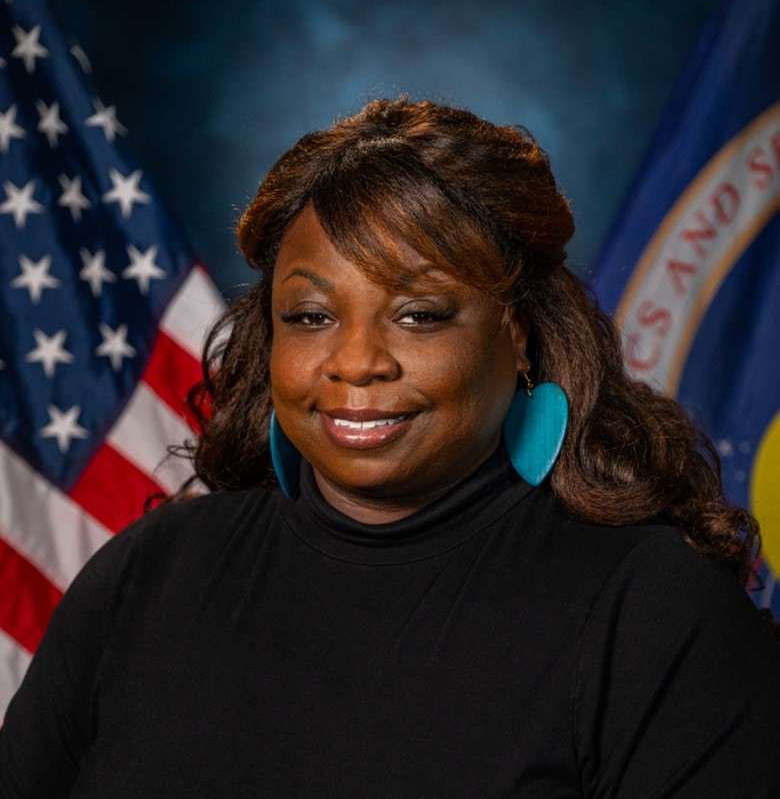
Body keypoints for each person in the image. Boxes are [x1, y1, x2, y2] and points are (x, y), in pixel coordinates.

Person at [2, 96, 779, 798]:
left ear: (517, 333)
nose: (357, 360)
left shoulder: (651, 611)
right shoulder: (150, 572)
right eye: (310, 316)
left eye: (419, 314)